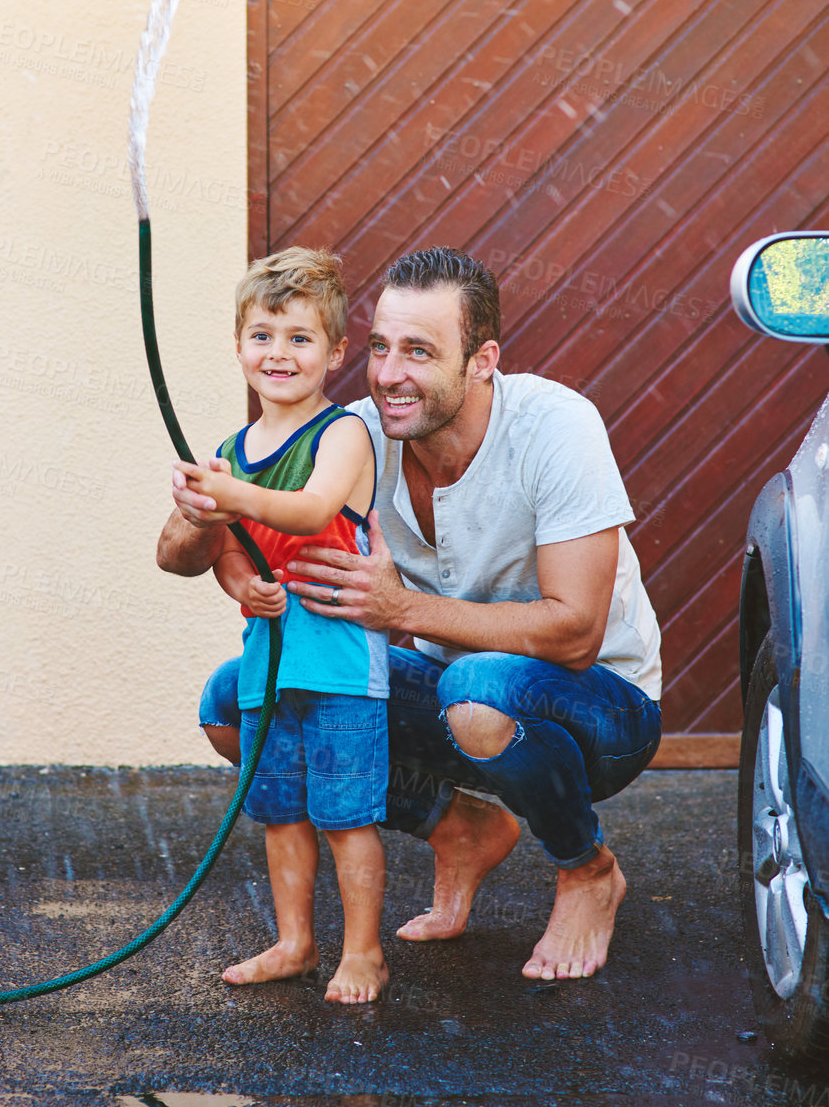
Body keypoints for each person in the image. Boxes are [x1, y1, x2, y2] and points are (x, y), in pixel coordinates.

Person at [158, 245, 662, 983]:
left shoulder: (556, 426)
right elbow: (180, 554)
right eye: (380, 347)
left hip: (600, 711)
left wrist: (401, 606)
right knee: (234, 703)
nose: (389, 374)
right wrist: (202, 509)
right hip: (445, 687)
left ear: (482, 359)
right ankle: (457, 827)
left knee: (478, 692)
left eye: (419, 351)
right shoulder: (354, 433)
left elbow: (576, 632)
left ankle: (585, 868)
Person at [175, 246, 390, 1005]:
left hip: (337, 664)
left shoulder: (342, 436)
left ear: (334, 353)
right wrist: (240, 577)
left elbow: (310, 510)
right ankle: (295, 941)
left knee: (344, 817)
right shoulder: (230, 454)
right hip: (269, 663)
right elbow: (227, 556)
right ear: (238, 346)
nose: (278, 353)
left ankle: (363, 951)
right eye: (262, 335)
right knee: (279, 812)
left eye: (300, 338)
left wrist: (230, 493)